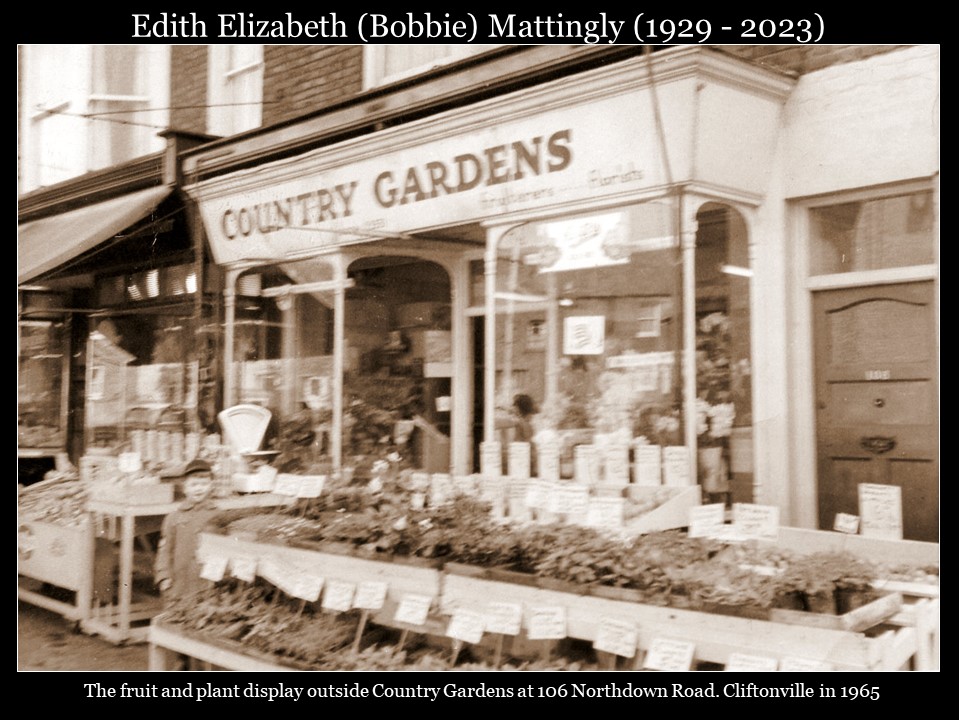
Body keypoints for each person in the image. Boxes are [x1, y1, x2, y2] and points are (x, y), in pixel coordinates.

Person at [154, 459, 220, 601]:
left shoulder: (218, 515)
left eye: (204, 484)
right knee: (177, 610)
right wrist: (163, 575)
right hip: (179, 583)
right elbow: (165, 549)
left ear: (211, 486)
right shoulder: (174, 517)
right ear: (184, 487)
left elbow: (223, 552)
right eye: (194, 484)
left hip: (206, 583)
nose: (199, 489)